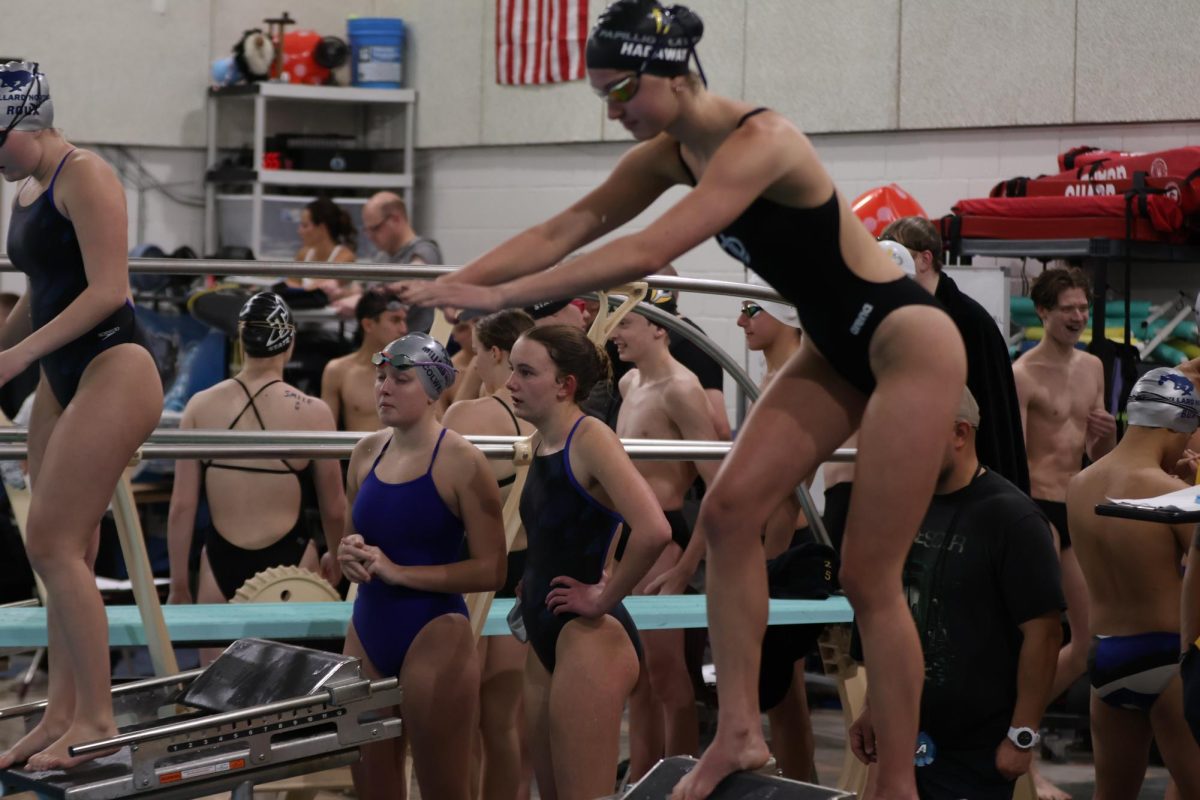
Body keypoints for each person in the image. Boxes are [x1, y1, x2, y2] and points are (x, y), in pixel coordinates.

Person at [399, 3, 967, 796]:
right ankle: (737, 733)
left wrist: (501, 291)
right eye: (603, 94)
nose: (614, 110)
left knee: (870, 576)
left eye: (623, 88)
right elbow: (569, 225)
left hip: (907, 340)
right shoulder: (672, 153)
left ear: (674, 70)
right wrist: (463, 282)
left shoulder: (762, 142)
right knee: (729, 514)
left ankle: (900, 783)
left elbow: (644, 250)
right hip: (836, 345)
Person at [0, 60, 164, 770]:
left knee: (52, 544)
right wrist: (6, 347)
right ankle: (60, 713)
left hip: (114, 369)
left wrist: (16, 360)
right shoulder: (31, 185)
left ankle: (97, 719)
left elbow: (106, 292)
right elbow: (46, 289)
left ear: (25, 124)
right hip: (67, 377)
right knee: (62, 548)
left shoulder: (86, 175)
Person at [850, 387, 1063, 800]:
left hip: (974, 747)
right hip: (904, 730)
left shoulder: (1012, 518)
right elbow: (891, 612)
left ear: (960, 434)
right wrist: (873, 704)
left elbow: (1045, 634)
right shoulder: (903, 505)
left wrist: (1021, 735)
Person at [338, 332, 506, 800]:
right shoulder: (366, 452)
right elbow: (352, 538)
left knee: (444, 789)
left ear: (432, 390)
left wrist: (401, 573)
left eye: (400, 379)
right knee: (372, 789)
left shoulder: (462, 461)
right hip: (367, 629)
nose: (383, 388)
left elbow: (492, 569)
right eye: (380, 377)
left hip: (434, 633)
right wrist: (347, 554)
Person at [507, 324, 671, 799]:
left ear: (565, 385)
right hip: (544, 631)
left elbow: (655, 528)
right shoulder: (542, 441)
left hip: (590, 641)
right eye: (512, 370)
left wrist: (604, 594)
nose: (511, 383)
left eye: (526, 372)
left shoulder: (590, 436)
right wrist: (532, 579)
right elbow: (580, 523)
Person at [1065, 368, 1200, 798]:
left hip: (1106, 660)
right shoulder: (1172, 494)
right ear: (1181, 427)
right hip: (1167, 657)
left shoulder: (1079, 485)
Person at [167, 292, 346, 609]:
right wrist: (335, 552)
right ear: (290, 343)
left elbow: (182, 506)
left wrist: (179, 585)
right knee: (296, 659)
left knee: (215, 661)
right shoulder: (313, 411)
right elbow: (333, 506)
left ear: (241, 340)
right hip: (291, 563)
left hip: (219, 563)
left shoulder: (200, 406)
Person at [608, 293, 721, 779]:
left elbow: (718, 490)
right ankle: (640, 779)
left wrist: (685, 567)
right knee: (636, 675)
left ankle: (681, 781)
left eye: (625, 323)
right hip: (626, 538)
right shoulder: (628, 380)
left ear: (659, 328)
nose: (615, 334)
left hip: (665, 540)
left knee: (669, 677)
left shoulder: (682, 389)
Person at [1013, 265, 1117, 794]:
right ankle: (1024, 760)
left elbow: (1098, 455)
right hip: (1035, 510)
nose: (1078, 317)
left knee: (1085, 644)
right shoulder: (1023, 374)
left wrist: (1108, 435)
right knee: (1039, 638)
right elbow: (1011, 461)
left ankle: (1012, 723)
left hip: (1076, 507)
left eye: (1083, 307)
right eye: (1068, 309)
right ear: (1044, 313)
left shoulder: (1095, 367)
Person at [441, 308, 537, 800]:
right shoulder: (549, 417)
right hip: (522, 569)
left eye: (476, 353)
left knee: (460, 720)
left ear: (496, 353)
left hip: (470, 571)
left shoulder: (467, 415)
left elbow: (434, 475)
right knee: (502, 724)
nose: (472, 363)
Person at [731, 280, 820, 781]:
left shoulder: (793, 380)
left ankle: (802, 781)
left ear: (785, 317)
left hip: (784, 542)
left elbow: (791, 490)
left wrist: (767, 568)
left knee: (783, 687)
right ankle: (799, 780)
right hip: (768, 542)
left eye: (750, 311)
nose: (742, 322)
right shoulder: (771, 378)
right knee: (784, 691)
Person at [880, 216, 1029, 494]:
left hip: (969, 466)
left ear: (925, 259)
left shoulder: (968, 320)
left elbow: (989, 409)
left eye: (899, 256)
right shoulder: (913, 313)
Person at [332, 191, 444, 325]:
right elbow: (361, 289)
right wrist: (339, 293)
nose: (369, 236)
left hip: (413, 340)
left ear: (396, 219)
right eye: (366, 230)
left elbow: (410, 290)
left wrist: (361, 302)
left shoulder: (424, 251)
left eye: (375, 228)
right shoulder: (381, 256)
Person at [321, 289, 409, 431]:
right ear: (368, 325)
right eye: (395, 320)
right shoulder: (337, 371)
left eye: (404, 320)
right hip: (358, 452)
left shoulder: (413, 370)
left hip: (404, 452)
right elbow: (325, 434)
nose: (404, 329)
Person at [291, 196, 359, 302]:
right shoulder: (303, 254)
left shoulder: (345, 257)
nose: (299, 231)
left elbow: (323, 288)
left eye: (305, 226)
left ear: (322, 228)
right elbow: (290, 287)